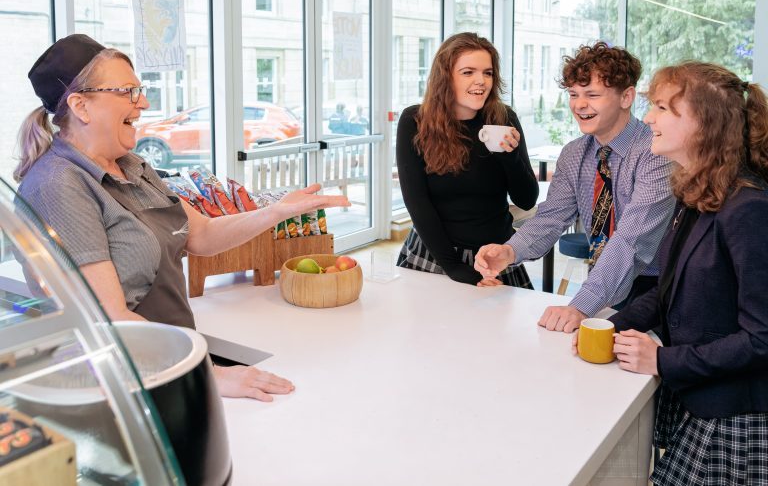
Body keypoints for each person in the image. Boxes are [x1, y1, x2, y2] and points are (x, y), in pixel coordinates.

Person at [14, 34, 350, 402]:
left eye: (139, 89)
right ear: (81, 106)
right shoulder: (58, 185)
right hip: (119, 382)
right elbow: (108, 316)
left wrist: (276, 213)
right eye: (127, 91)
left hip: (170, 362)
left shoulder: (133, 166)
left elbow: (201, 234)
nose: (143, 101)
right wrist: (208, 374)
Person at [597, 62, 768, 485]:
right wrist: (605, 326)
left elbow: (761, 338)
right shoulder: (699, 191)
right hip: (695, 396)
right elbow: (667, 291)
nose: (649, 118)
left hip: (733, 416)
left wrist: (662, 358)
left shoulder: (749, 210)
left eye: (661, 108)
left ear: (704, 124)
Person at [475, 42, 674, 331]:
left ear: (626, 97)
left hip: (658, 286)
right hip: (606, 278)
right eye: (573, 94)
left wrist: (582, 304)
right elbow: (551, 217)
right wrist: (509, 251)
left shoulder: (656, 152)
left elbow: (632, 240)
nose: (580, 105)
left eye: (592, 95)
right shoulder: (574, 153)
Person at [396, 32, 539, 287]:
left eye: (488, 72)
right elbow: (417, 202)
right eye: (468, 72)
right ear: (445, 77)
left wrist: (511, 156)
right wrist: (453, 266)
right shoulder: (415, 121)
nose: (481, 81)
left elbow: (526, 200)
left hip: (495, 257)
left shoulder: (504, 118)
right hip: (434, 255)